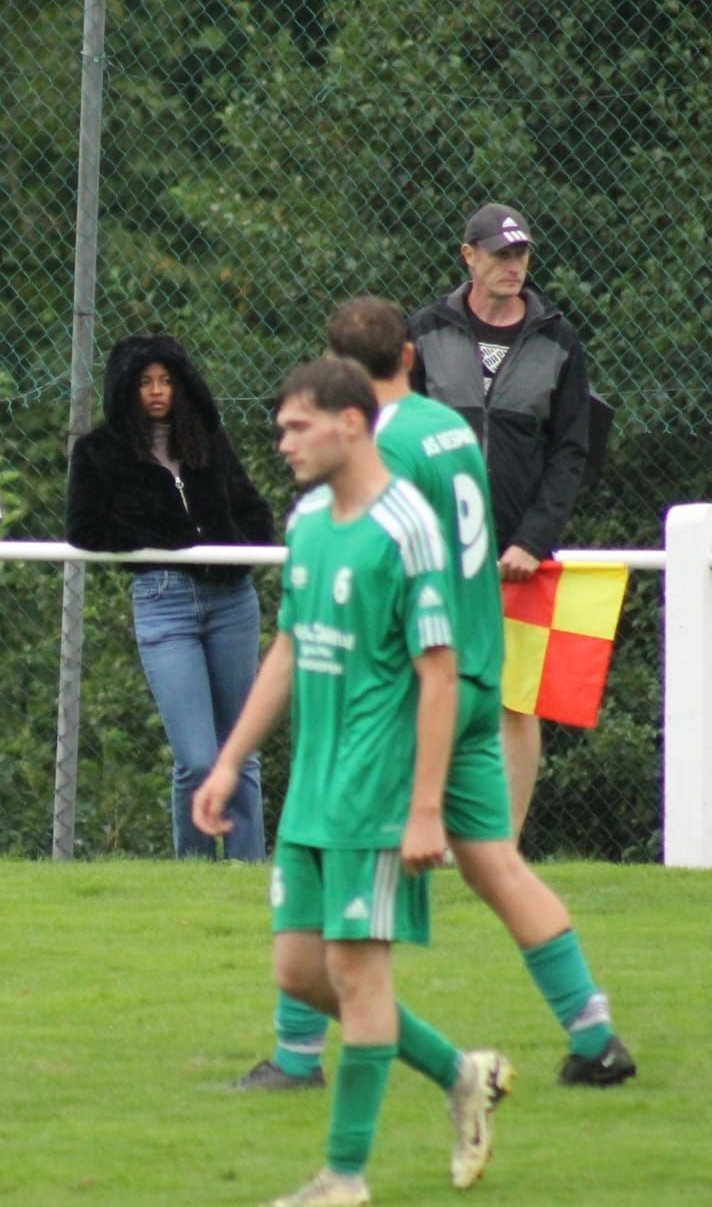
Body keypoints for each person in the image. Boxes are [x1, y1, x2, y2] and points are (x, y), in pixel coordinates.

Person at [234, 298, 635, 1098]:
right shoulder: (448, 426)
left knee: (333, 831)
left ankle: (298, 1055)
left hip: (423, 682)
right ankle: (594, 1032)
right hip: (483, 666)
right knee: (493, 861)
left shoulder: (381, 446)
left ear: (339, 372)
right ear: (410, 357)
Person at [195, 358, 514, 1205]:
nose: (283, 443)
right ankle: (459, 1072)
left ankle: (344, 1177)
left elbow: (439, 675)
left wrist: (424, 812)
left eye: (297, 428)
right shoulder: (307, 522)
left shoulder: (407, 526)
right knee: (301, 974)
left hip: (377, 793)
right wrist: (229, 761)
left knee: (360, 977)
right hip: (314, 790)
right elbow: (294, 646)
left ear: (350, 423)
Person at [409, 204, 591, 835]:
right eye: (500, 254)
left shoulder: (558, 338)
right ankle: (432, 828)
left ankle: (502, 842)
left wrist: (532, 540)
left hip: (518, 558)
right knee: (434, 687)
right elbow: (397, 431)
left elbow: (571, 451)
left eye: (522, 255)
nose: (514, 267)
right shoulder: (424, 330)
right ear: (469, 256)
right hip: (434, 552)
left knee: (517, 700)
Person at [66, 333, 273, 860]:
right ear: (124, 389)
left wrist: (239, 552)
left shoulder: (207, 439)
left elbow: (252, 510)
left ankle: (250, 870)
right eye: (144, 383)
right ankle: (195, 872)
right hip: (163, 601)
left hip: (232, 599)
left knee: (241, 750)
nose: (157, 392)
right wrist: (155, 543)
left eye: (166, 381)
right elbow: (85, 531)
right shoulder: (97, 453)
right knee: (198, 757)